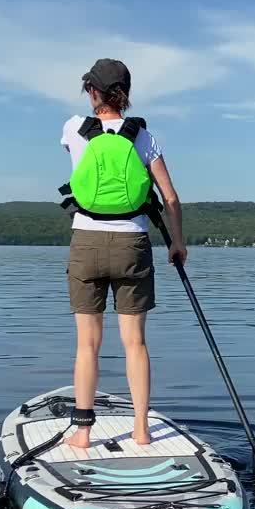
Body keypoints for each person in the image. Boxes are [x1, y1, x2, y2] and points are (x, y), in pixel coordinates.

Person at [59, 58, 187, 449]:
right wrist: (178, 243)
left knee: (87, 346)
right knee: (135, 343)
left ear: (92, 91)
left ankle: (82, 433)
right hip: (133, 244)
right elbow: (170, 197)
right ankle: (142, 430)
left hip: (87, 242)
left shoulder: (73, 128)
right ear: (126, 94)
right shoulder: (143, 137)